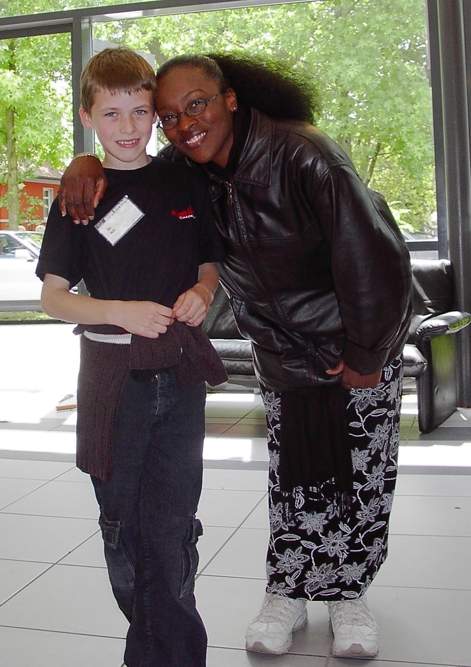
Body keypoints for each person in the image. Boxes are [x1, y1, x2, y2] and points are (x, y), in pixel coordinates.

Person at [59, 53, 412, 659]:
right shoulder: (193, 165)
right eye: (168, 116)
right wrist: (83, 161)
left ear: (230, 99)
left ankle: (349, 595)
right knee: (295, 478)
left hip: (352, 347)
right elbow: (131, 166)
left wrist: (366, 352)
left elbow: (376, 259)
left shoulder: (305, 155)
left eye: (195, 104)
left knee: (359, 477)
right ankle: (287, 591)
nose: (182, 123)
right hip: (281, 352)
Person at [36, 47, 226, 667]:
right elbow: (55, 299)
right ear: (89, 116)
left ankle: (166, 656)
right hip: (113, 379)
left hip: (180, 369)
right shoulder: (80, 192)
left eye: (140, 111)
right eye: (112, 113)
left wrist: (201, 290)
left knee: (170, 518)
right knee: (121, 521)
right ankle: (163, 638)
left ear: (154, 115)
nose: (128, 126)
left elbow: (208, 259)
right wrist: (121, 310)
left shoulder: (185, 179)